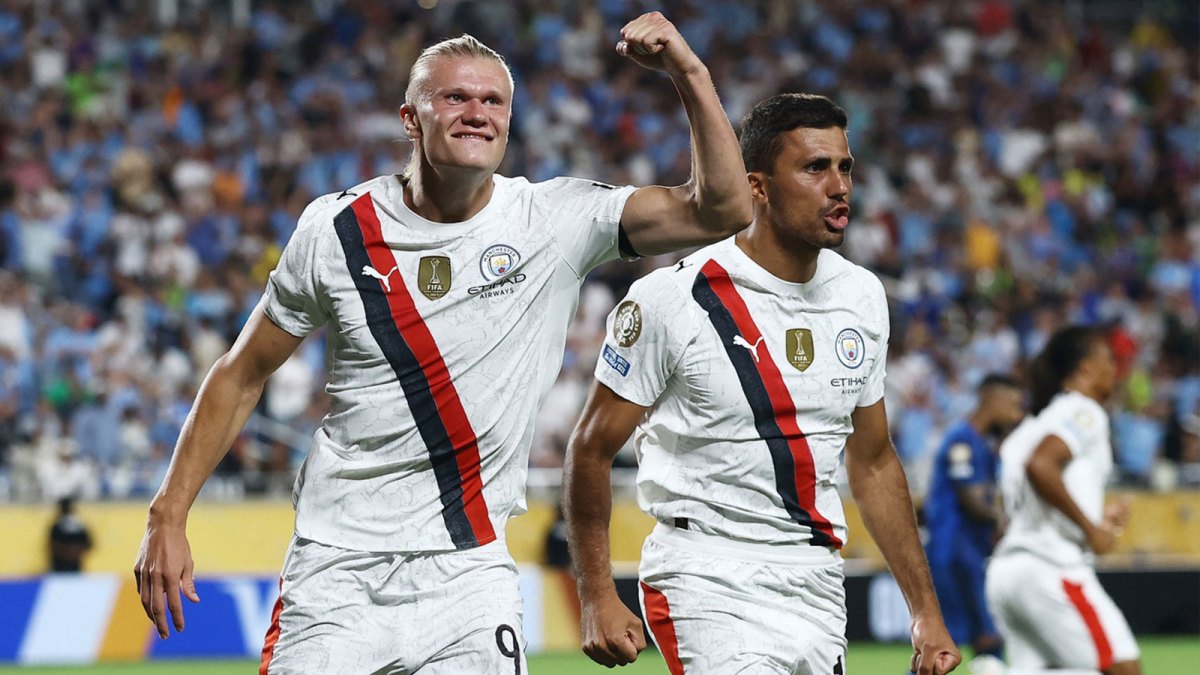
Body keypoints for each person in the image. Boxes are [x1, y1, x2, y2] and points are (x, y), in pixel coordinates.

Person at [133, 12, 751, 675]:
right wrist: (167, 512)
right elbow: (241, 372)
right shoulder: (337, 229)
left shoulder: (555, 219)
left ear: (509, 123)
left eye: (494, 101)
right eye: (456, 96)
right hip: (336, 574)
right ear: (410, 118)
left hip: (469, 575)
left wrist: (690, 73)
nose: (477, 112)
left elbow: (724, 210)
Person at [563, 93, 960, 675]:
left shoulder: (862, 297)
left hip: (817, 581)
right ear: (759, 186)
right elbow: (591, 449)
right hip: (706, 573)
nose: (839, 185)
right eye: (814, 167)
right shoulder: (674, 298)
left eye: (845, 166)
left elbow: (873, 461)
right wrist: (596, 592)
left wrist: (925, 612)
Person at [986, 326, 1142, 675]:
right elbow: (1041, 465)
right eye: (1107, 359)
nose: (1114, 368)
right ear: (1085, 368)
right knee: (1123, 669)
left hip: (1008, 570)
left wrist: (1095, 518)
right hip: (1051, 567)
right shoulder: (1083, 411)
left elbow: (1021, 499)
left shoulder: (1030, 427)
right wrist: (1091, 530)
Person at [922, 374, 1024, 665]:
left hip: (968, 553)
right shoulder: (961, 441)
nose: (1017, 415)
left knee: (986, 640)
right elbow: (975, 503)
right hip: (953, 554)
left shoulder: (983, 446)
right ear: (992, 401)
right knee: (946, 647)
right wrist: (1010, 525)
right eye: (1014, 406)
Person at [49, 496, 93, 572]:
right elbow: (89, 544)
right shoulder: (79, 525)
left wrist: (67, 552)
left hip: (63, 564)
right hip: (71, 563)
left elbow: (52, 545)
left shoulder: (57, 525)